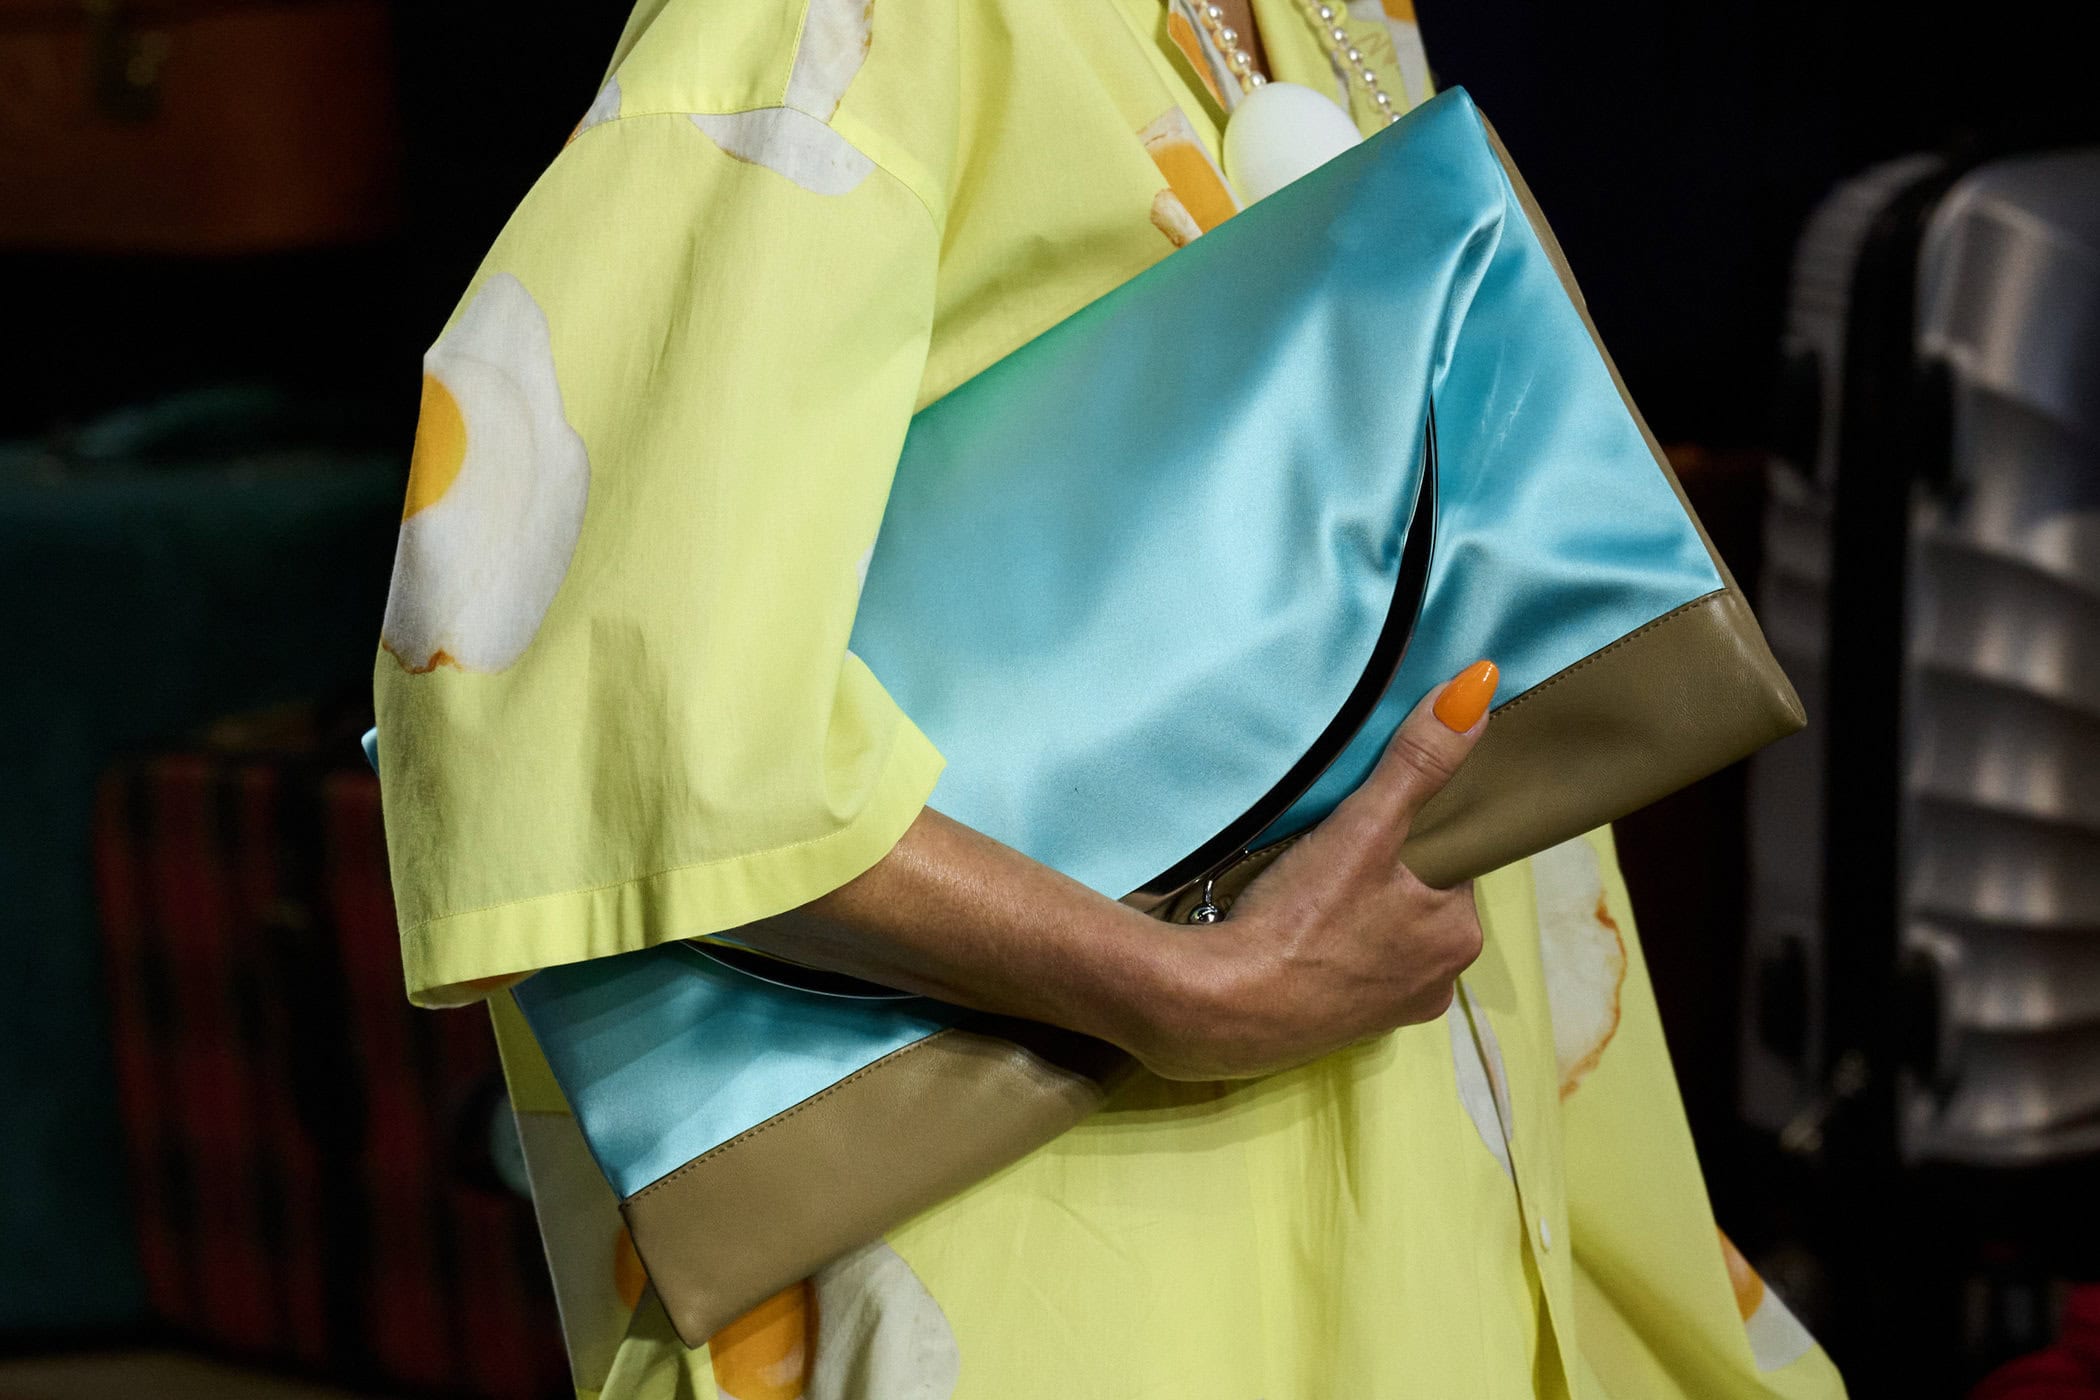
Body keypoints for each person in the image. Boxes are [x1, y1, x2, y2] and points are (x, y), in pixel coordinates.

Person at [371, 1, 1853, 1396]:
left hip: (1421, 1153)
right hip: (1029, 1213)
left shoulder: (1330, 16)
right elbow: (574, 652)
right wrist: (1177, 985)